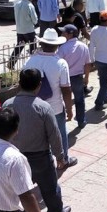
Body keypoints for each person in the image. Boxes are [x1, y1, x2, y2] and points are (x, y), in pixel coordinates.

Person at [2, 70, 73, 212]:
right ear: (39, 85)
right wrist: (60, 157)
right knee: (50, 190)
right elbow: (54, 135)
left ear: (19, 83)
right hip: (40, 158)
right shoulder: (43, 107)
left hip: (15, 157)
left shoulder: (7, 104)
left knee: (21, 191)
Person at [23, 29, 77, 167]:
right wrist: (70, 109)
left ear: (42, 43)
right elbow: (66, 89)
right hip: (55, 107)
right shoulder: (60, 63)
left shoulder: (31, 61)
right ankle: (63, 159)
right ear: (56, 46)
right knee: (59, 134)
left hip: (33, 105)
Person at [57, 24, 92, 128]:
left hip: (65, 78)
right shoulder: (83, 46)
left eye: (64, 32)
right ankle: (81, 121)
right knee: (79, 100)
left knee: (62, 99)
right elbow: (87, 64)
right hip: (78, 77)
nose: (62, 34)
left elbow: (58, 64)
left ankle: (65, 118)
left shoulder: (63, 48)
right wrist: (86, 77)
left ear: (70, 34)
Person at [89, 11, 107, 110]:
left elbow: (91, 45)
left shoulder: (94, 29)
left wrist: (91, 59)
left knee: (102, 80)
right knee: (105, 83)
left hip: (98, 59)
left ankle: (106, 96)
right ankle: (99, 102)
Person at [9, 0, 38, 69]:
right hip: (29, 30)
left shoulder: (17, 4)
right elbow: (35, 20)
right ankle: (33, 64)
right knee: (33, 48)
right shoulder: (29, 5)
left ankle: (11, 63)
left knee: (19, 47)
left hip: (20, 30)